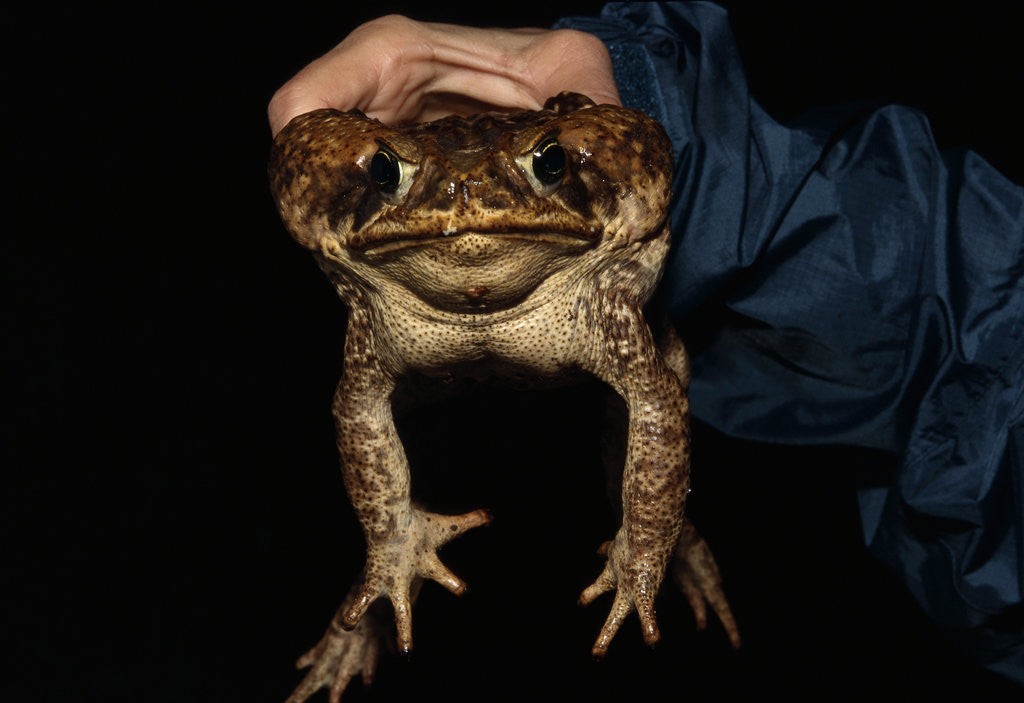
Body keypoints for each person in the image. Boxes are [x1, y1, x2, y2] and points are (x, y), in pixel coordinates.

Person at [269, 2, 1023, 685]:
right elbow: (359, 406)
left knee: (657, 369)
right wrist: (389, 532)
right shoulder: (373, 295)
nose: (467, 199)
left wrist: (650, 537)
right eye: (392, 174)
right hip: (415, 324)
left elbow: (657, 403)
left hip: (582, 290)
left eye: (546, 164)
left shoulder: (601, 292)